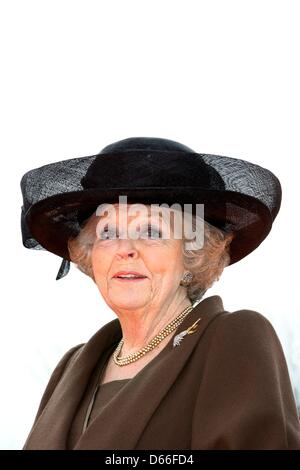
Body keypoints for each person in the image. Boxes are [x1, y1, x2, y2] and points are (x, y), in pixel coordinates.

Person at [20, 137, 300, 450]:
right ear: (91, 254)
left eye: (151, 231)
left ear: (192, 255)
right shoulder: (70, 368)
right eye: (108, 232)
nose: (126, 249)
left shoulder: (232, 338)